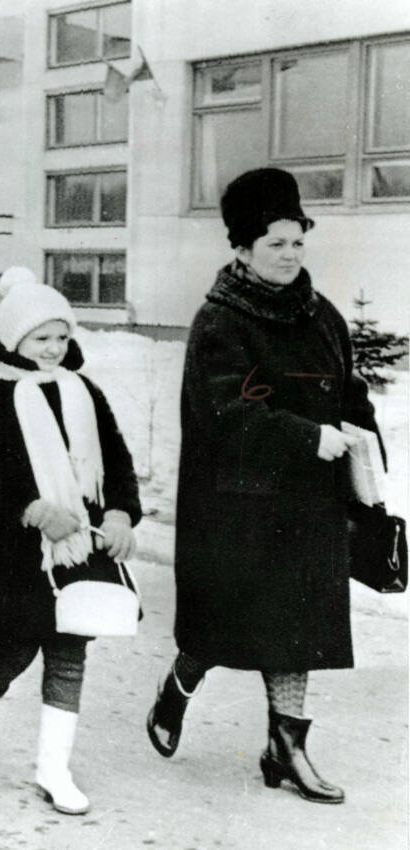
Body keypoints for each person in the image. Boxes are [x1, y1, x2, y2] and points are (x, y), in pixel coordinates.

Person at [146, 168, 384, 804]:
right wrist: (307, 436)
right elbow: (226, 413)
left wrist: (362, 440)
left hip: (309, 504)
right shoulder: (220, 322)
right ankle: (179, 684)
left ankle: (286, 749)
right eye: (275, 243)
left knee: (298, 628)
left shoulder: (321, 315)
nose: (289, 255)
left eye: (297, 241)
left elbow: (349, 389)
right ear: (243, 249)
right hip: (237, 505)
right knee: (220, 626)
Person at [0, 267, 141, 816]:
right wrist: (32, 510)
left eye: (62, 336)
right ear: (14, 340)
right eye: (42, 338)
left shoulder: (85, 392)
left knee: (70, 649)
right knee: (18, 644)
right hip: (15, 553)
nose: (55, 348)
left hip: (81, 548)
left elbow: (117, 458)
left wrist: (123, 512)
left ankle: (53, 769)